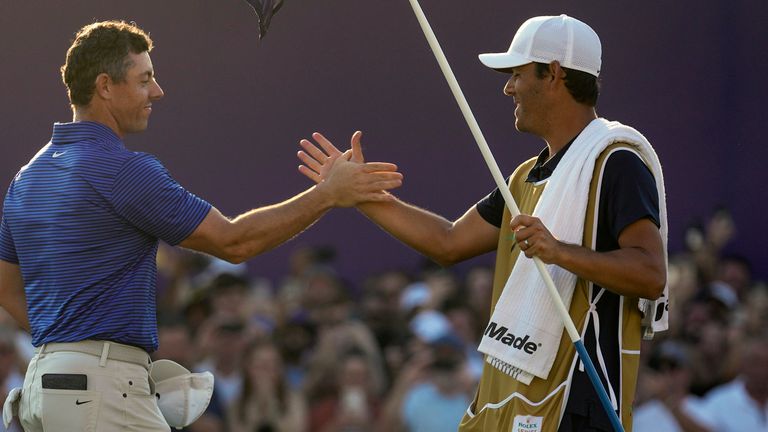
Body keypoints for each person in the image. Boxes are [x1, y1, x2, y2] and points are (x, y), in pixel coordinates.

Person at [0, 20, 402, 431]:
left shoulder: (25, 177)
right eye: (145, 80)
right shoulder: (123, 170)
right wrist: (327, 195)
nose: (157, 91)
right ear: (105, 86)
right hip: (97, 393)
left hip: (43, 388)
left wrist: (70, 342)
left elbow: (6, 288)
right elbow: (234, 241)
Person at [297, 14, 667, 431]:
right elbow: (448, 242)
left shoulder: (616, 161)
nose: (508, 86)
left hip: (577, 403)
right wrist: (359, 194)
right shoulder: (526, 175)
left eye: (517, 73)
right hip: (516, 402)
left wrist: (559, 252)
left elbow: (650, 273)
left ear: (555, 75)